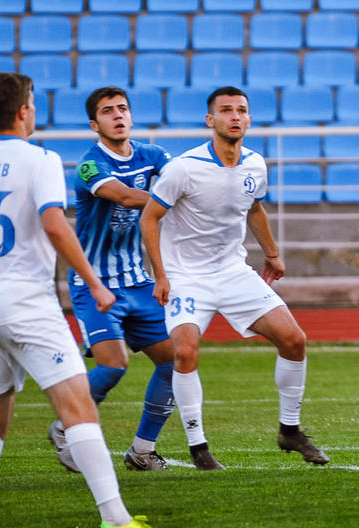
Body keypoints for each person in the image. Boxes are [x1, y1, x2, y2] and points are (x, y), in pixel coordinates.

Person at [0, 72, 150, 528]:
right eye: (32, 103)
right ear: (22, 112)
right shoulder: (40, 159)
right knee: (78, 407)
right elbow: (55, 225)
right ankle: (116, 518)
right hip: (27, 306)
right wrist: (94, 283)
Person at [139, 86, 328, 471]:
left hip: (232, 271)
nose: (235, 116)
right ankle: (199, 448)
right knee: (186, 352)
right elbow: (149, 217)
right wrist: (161, 275)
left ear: (249, 118)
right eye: (226, 111)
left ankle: (289, 431)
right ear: (211, 121)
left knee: (294, 340)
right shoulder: (183, 168)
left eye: (241, 110)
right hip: (186, 277)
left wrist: (272, 254)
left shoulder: (256, 164)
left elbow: (254, 207)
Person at [47, 87, 175, 474]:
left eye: (122, 109)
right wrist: (174, 196)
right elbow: (123, 196)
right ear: (95, 124)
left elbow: (185, 177)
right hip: (95, 284)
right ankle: (65, 426)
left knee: (176, 362)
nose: (117, 115)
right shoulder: (89, 165)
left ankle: (141, 450)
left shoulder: (152, 155)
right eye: (108, 111)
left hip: (137, 281)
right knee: (115, 364)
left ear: (132, 117)